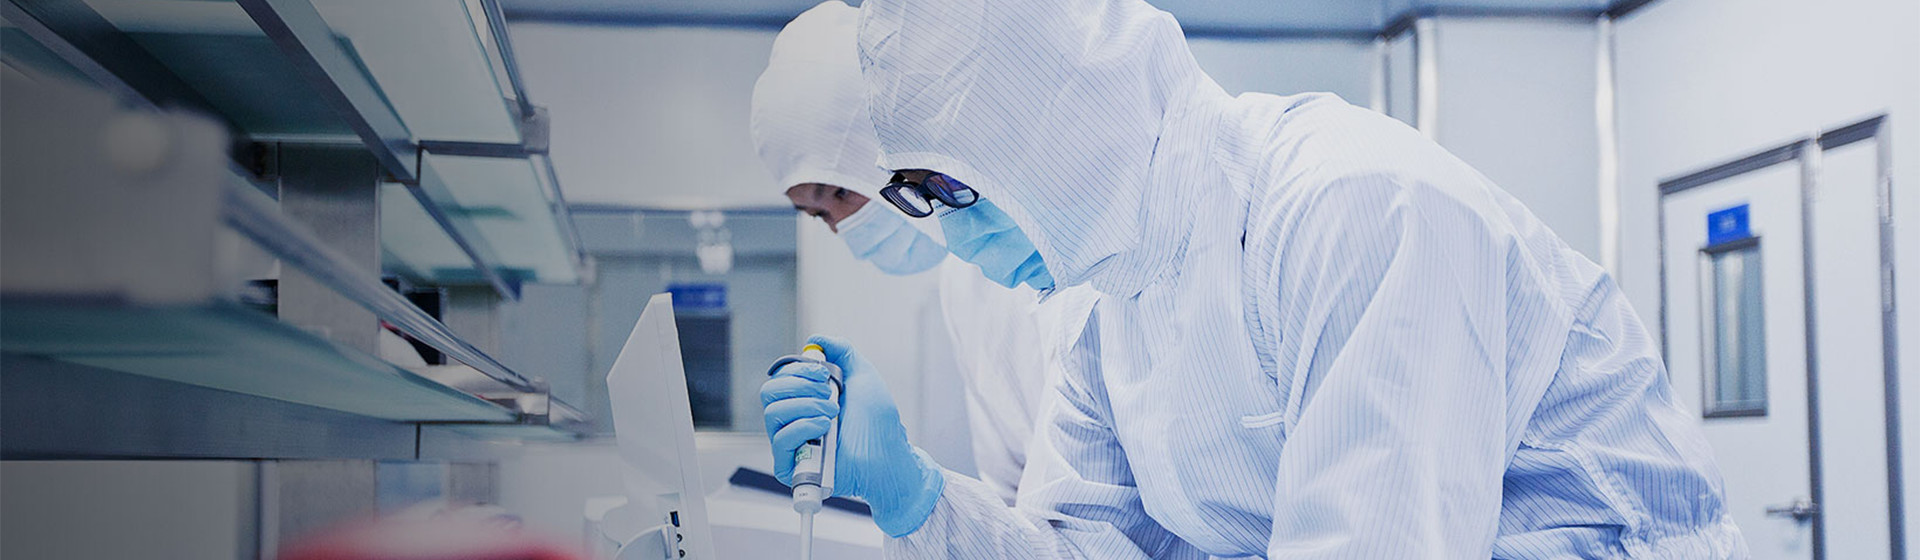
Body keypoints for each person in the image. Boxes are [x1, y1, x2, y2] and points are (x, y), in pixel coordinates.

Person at [759, 0, 1749, 558]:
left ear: (1049, 138)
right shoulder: (1113, 308)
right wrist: (920, 499)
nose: (946, 231)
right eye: (912, 196)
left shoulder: (1351, 208)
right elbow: (1091, 548)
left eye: (947, 189)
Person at [748, 0, 1098, 505]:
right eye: (818, 215)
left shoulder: (1070, 260)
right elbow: (1012, 490)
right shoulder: (964, 278)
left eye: (840, 193)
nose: (841, 226)